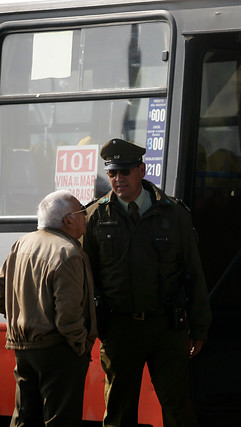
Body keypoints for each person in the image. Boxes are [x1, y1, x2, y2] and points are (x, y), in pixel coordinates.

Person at [83, 138, 211, 427]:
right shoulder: (94, 216)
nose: (118, 179)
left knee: (177, 407)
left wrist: (199, 326)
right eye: (112, 173)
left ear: (141, 170)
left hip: (165, 327)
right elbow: (85, 279)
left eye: (125, 172)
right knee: (118, 410)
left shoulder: (174, 213)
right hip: (118, 328)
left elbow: (193, 272)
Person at [0, 190, 97, 427]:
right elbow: (69, 315)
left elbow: (1, 294)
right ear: (68, 220)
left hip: (22, 348)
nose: (86, 218)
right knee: (59, 419)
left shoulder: (20, 244)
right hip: (58, 350)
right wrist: (81, 345)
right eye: (82, 212)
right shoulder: (69, 252)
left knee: (24, 417)